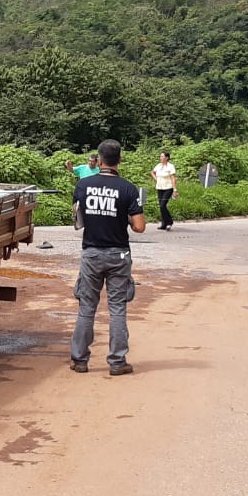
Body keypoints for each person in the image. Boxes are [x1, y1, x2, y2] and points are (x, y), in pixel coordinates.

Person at [71, 140, 145, 376]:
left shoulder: (83, 185)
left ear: (99, 160)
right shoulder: (128, 189)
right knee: (117, 309)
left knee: (86, 308)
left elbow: (77, 217)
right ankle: (117, 362)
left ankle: (80, 360)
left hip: (91, 253)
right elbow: (140, 227)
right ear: (120, 161)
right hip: (118, 254)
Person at [150, 152, 176, 231]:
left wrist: (175, 190)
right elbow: (152, 172)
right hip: (159, 188)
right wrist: (156, 179)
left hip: (168, 188)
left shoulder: (170, 166)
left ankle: (169, 222)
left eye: (162, 156)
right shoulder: (158, 165)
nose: (160, 157)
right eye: (160, 156)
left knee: (162, 205)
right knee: (161, 207)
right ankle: (164, 224)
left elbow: (173, 178)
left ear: (167, 158)